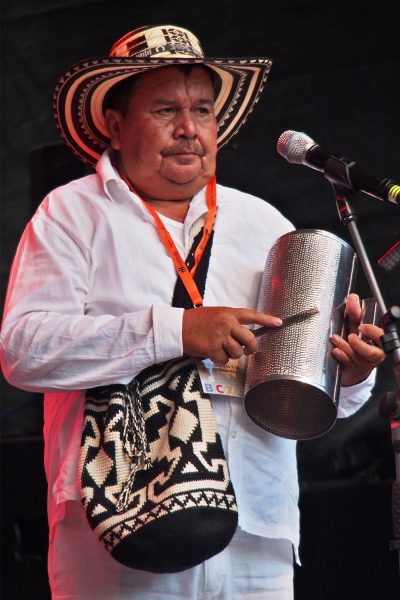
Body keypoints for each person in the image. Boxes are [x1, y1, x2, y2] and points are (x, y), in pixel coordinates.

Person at [0, 25, 385, 600]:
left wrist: (349, 375)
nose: (189, 130)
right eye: (164, 110)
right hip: (119, 527)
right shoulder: (70, 214)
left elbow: (307, 393)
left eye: (202, 110)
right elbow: (23, 351)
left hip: (256, 526)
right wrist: (178, 330)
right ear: (114, 122)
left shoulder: (264, 224)